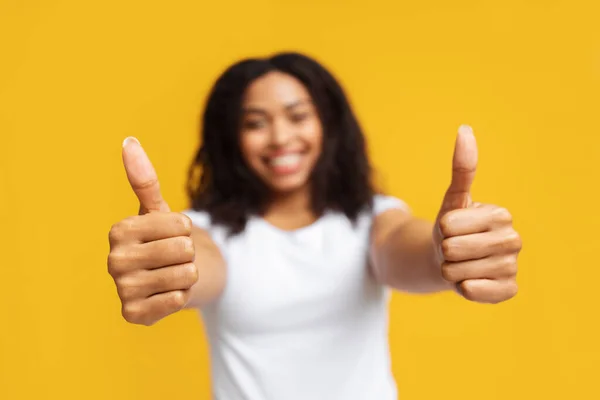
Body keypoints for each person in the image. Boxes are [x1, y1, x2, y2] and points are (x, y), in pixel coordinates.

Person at [107, 52, 521, 400]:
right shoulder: (206, 231)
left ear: (328, 124)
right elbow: (198, 266)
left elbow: (403, 247)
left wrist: (446, 250)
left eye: (297, 116)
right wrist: (164, 268)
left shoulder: (371, 219)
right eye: (255, 123)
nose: (280, 137)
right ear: (231, 139)